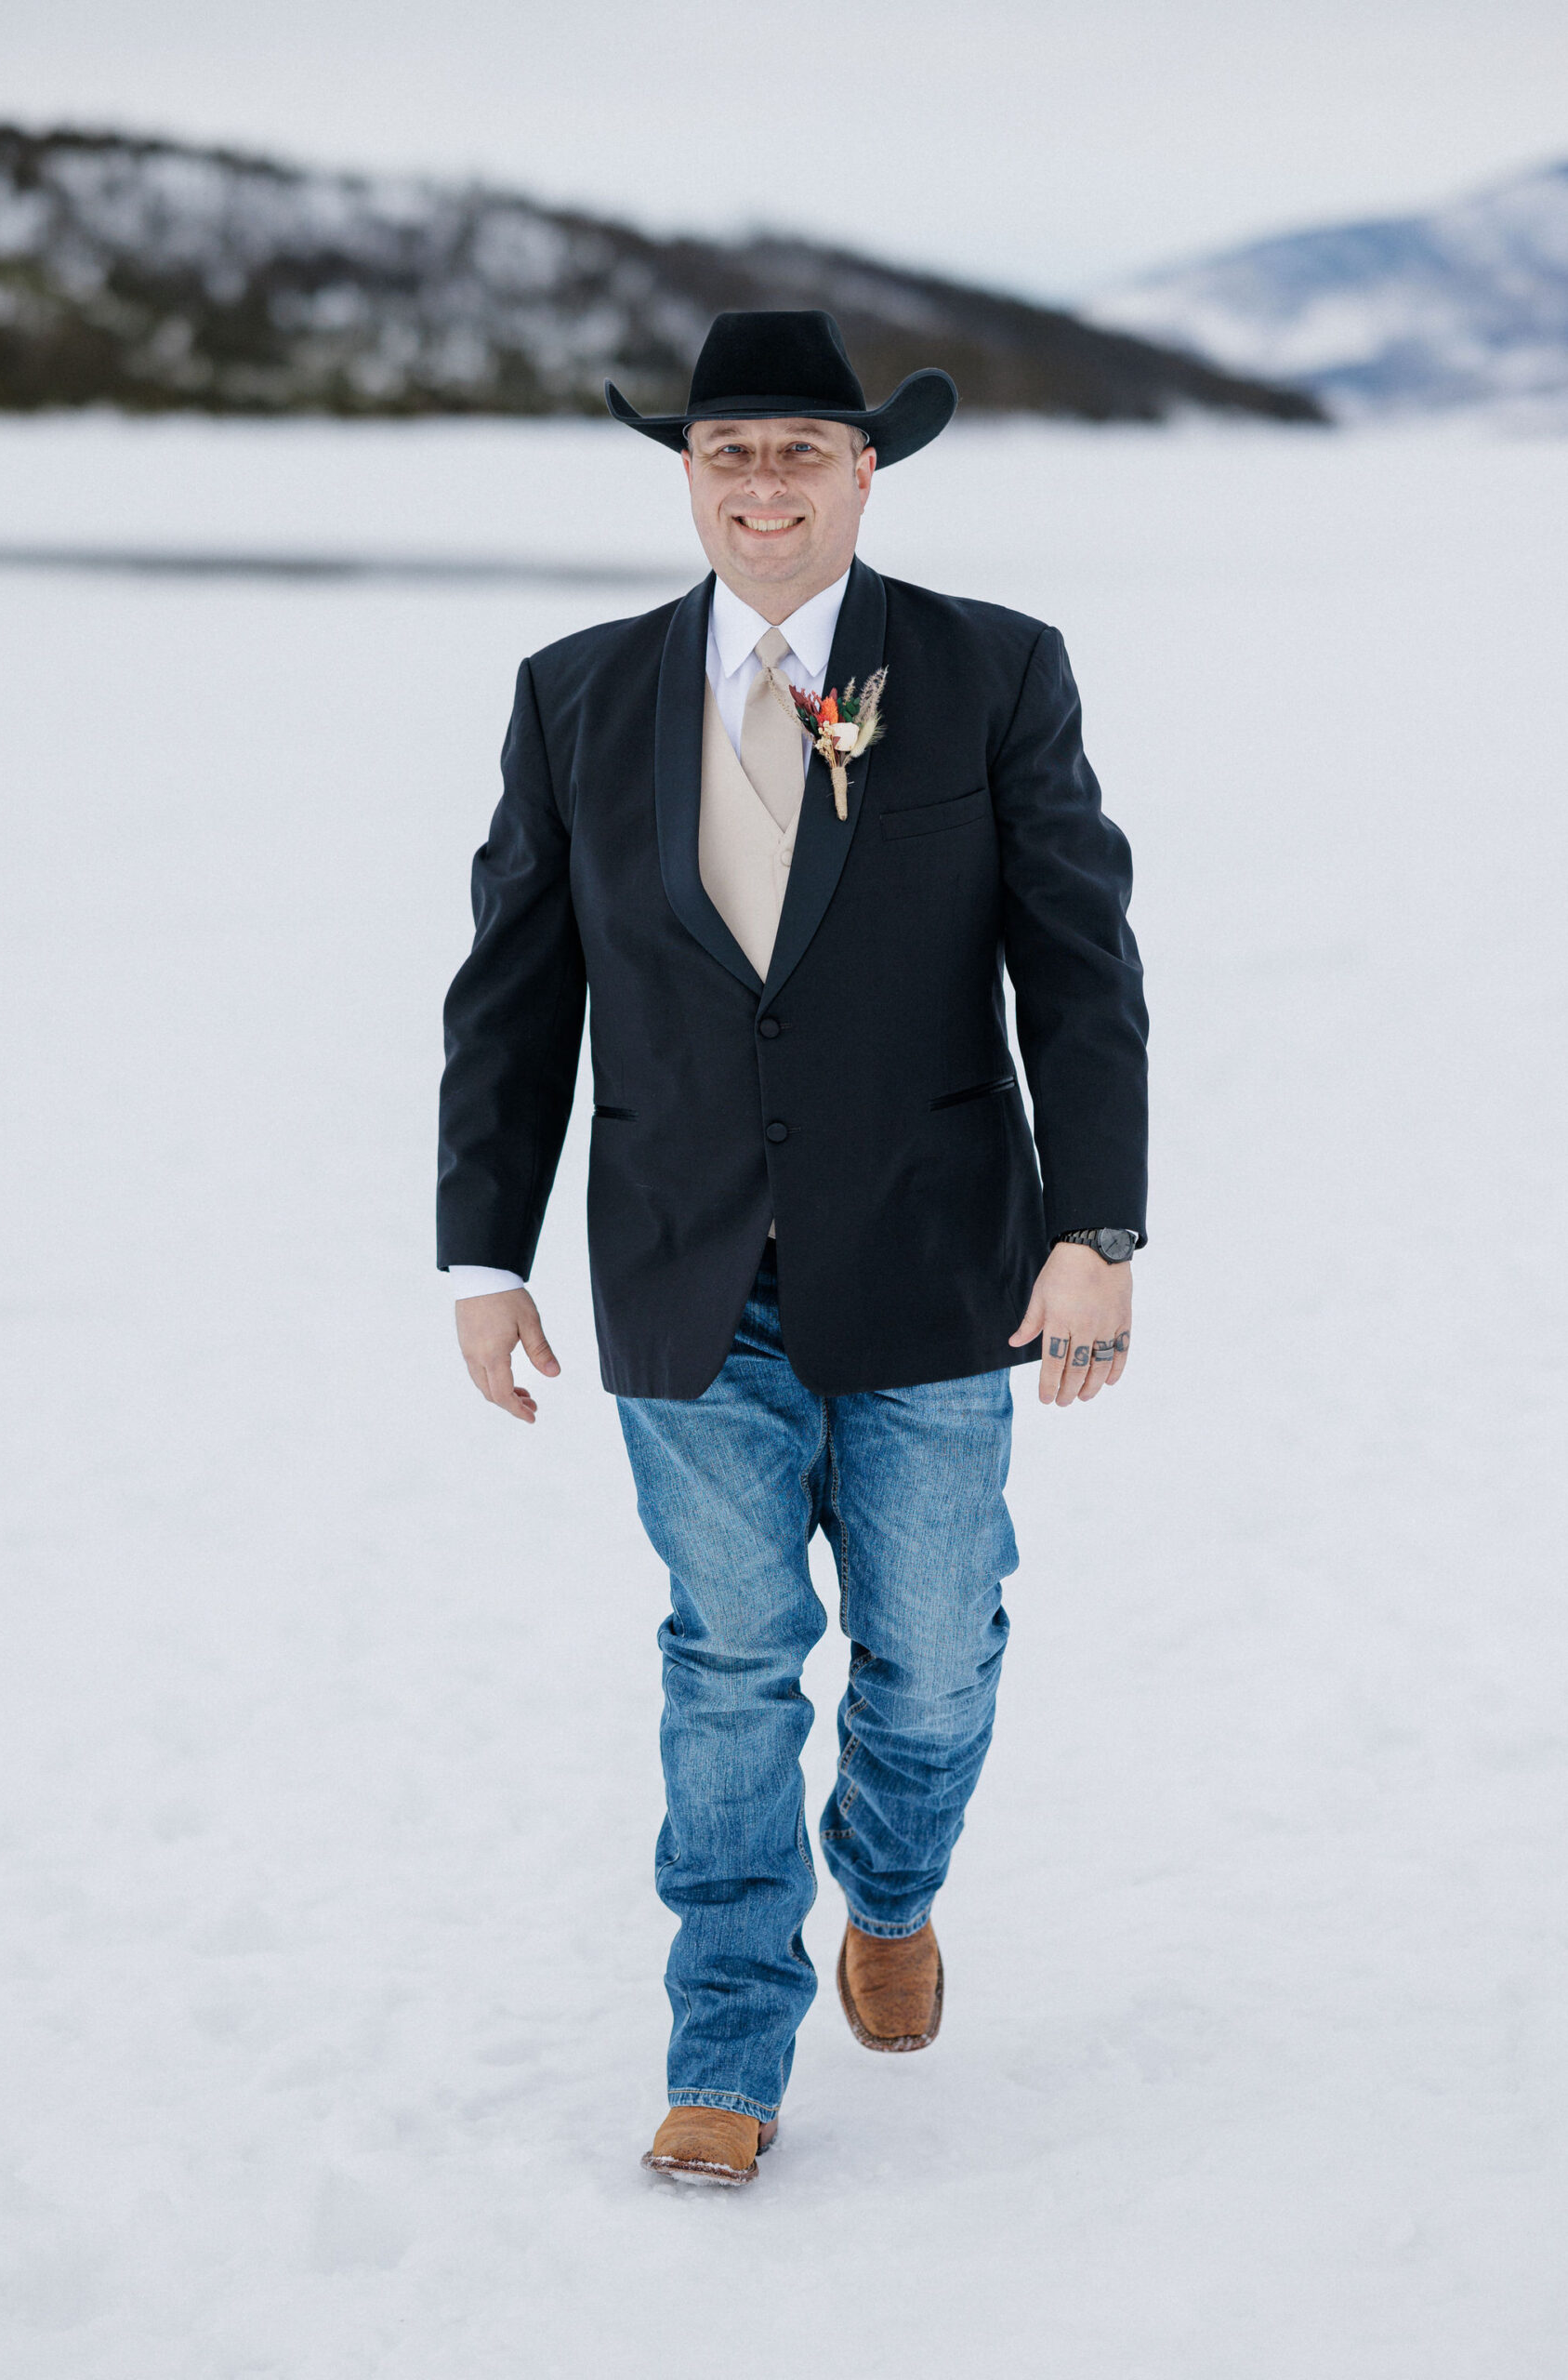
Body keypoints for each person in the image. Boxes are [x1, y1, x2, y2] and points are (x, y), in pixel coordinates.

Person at [438, 311, 1148, 2187]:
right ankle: (727, 2040)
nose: (761, 485)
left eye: (798, 452)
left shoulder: (989, 671)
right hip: (683, 1266)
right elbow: (512, 995)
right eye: (726, 451)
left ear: (863, 472)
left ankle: (892, 1892)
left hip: (935, 1267)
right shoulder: (575, 691)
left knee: (924, 1658)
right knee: (732, 1653)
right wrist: (478, 1255)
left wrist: (1097, 1226)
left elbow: (1078, 972)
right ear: (685, 473)